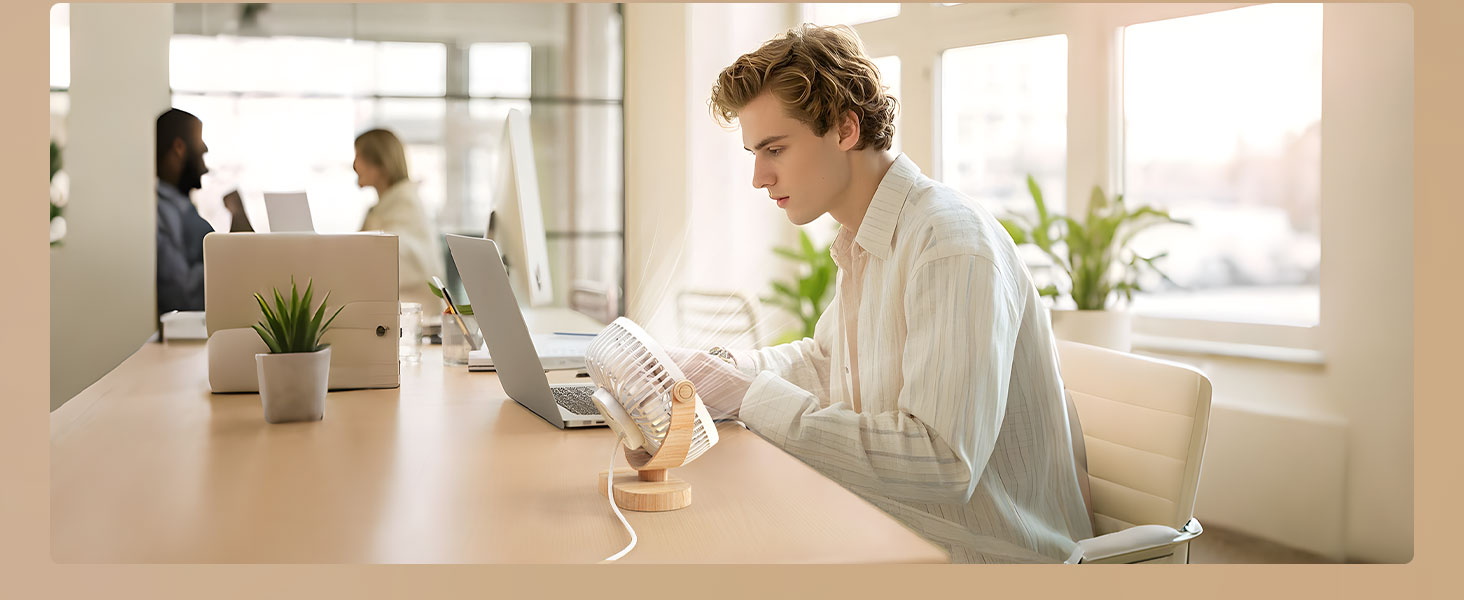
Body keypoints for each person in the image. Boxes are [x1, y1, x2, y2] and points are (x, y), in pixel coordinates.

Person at [671, 24, 1093, 563]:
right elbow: (827, 363)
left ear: (845, 128)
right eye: (756, 152)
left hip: (983, 557)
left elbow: (941, 461)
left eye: (774, 148)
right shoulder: (867, 239)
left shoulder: (949, 244)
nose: (759, 176)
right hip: (892, 533)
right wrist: (723, 369)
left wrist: (747, 395)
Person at [155, 108, 252, 315]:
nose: (205, 149)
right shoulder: (161, 212)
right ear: (179, 147)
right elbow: (183, 294)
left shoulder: (180, 208)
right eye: (199, 143)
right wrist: (237, 217)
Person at [352, 128, 446, 309]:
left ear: (379, 163)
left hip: (416, 319)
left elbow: (389, 264)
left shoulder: (406, 207)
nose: (355, 165)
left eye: (359, 157)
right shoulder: (383, 208)